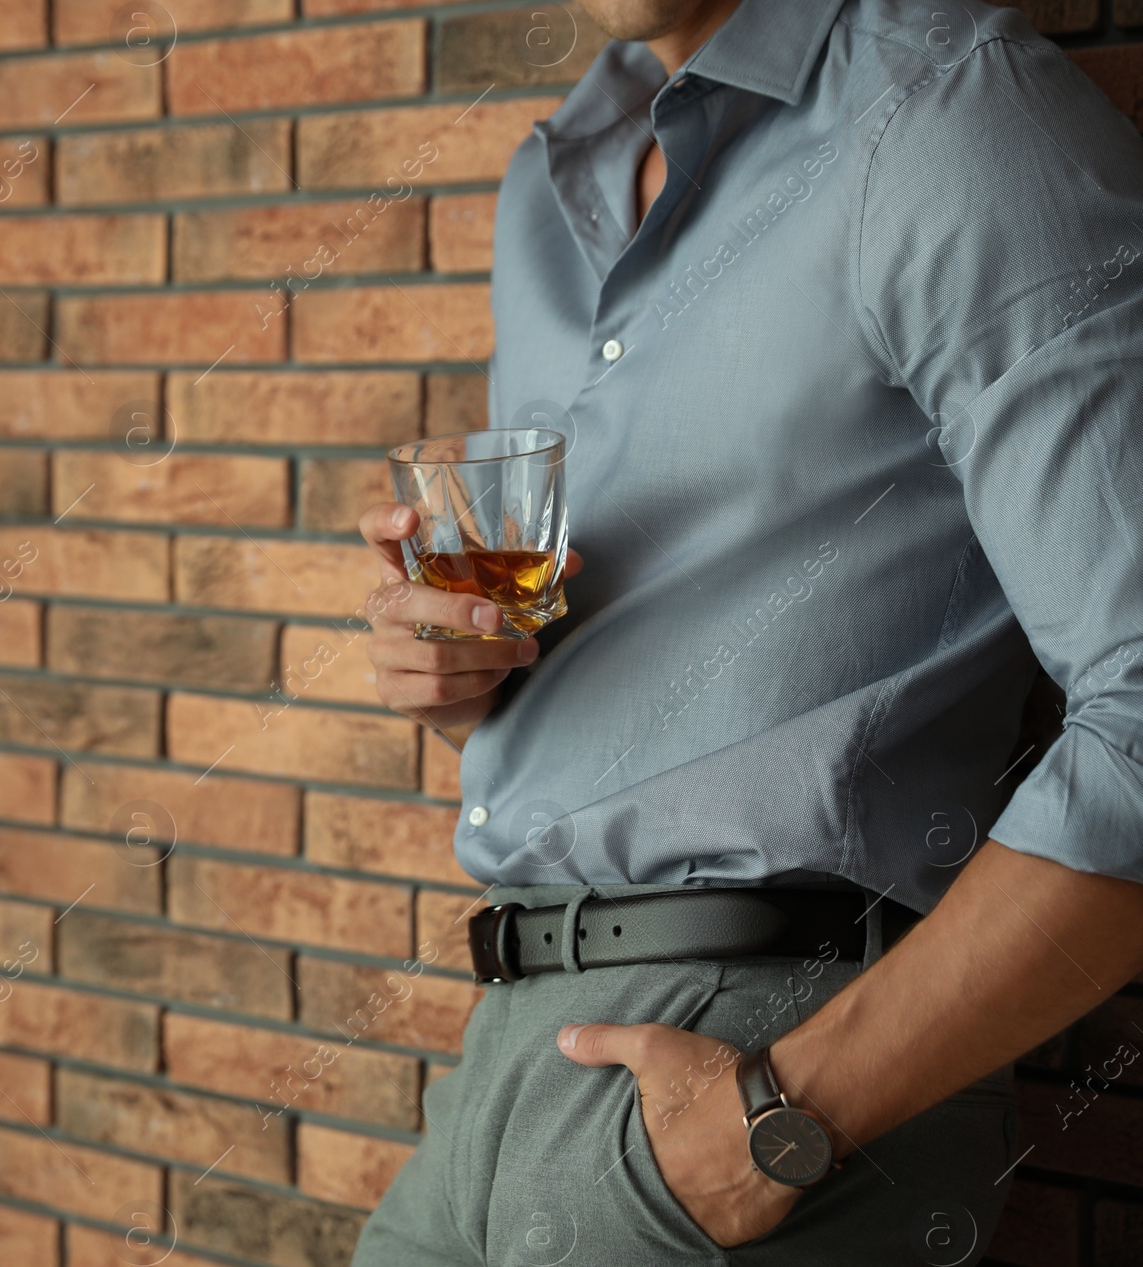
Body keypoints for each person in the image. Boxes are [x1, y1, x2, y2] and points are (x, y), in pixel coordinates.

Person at [351, 0, 1143, 1262]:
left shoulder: (945, 115)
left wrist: (779, 1116)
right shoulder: (550, 175)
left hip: (756, 1069)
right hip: (496, 1070)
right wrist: (463, 684)